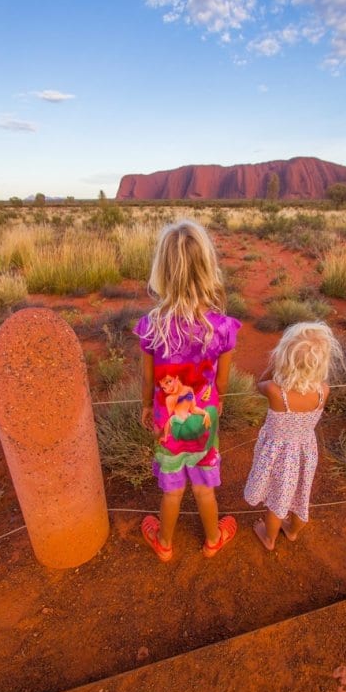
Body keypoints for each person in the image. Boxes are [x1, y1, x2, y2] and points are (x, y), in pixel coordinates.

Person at [134, 220, 241, 562]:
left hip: (168, 426)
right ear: (207, 267)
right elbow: (221, 383)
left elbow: (148, 381)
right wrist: (217, 402)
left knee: (173, 489)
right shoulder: (221, 329)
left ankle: (164, 543)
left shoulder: (152, 327)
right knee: (203, 486)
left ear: (162, 270)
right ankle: (213, 539)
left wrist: (146, 407)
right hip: (204, 420)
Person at [244, 322, 343, 550]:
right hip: (304, 452)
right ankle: (292, 531)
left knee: (276, 501)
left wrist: (273, 365)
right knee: (300, 494)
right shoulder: (323, 391)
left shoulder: (275, 391)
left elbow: (259, 383)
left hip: (277, 454)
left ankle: (268, 538)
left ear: (284, 357)